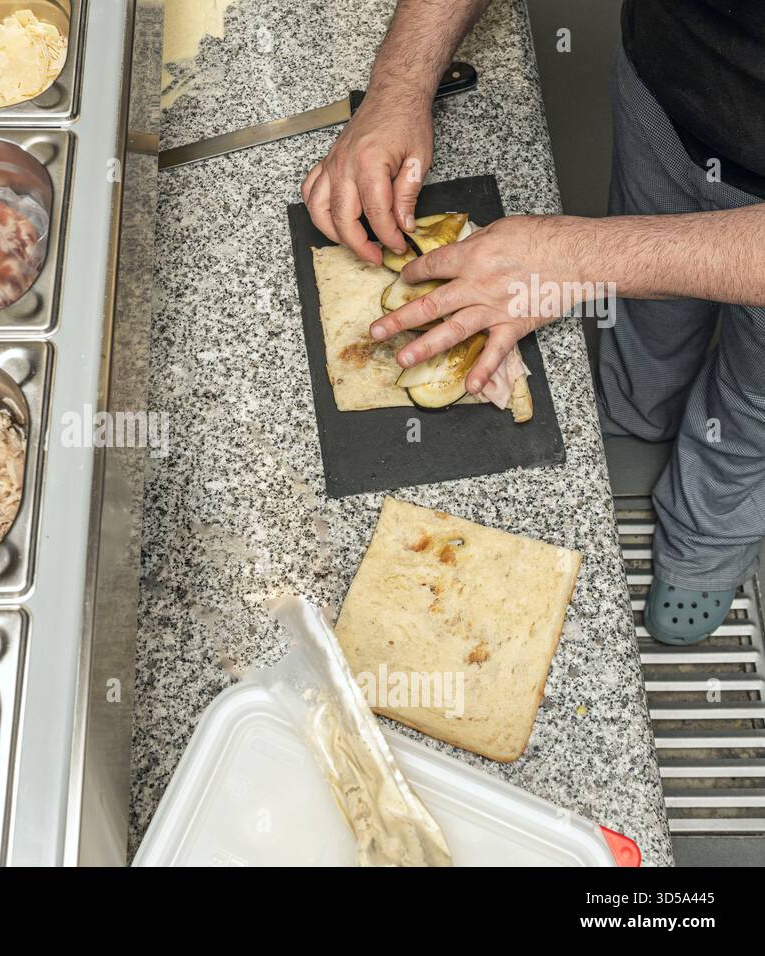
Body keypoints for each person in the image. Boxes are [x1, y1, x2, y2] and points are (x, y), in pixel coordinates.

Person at [303, 0, 765, 645]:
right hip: (670, 88)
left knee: (753, 402)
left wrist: (577, 257)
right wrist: (399, 87)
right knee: (647, 309)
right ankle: (637, 413)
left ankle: (705, 538)